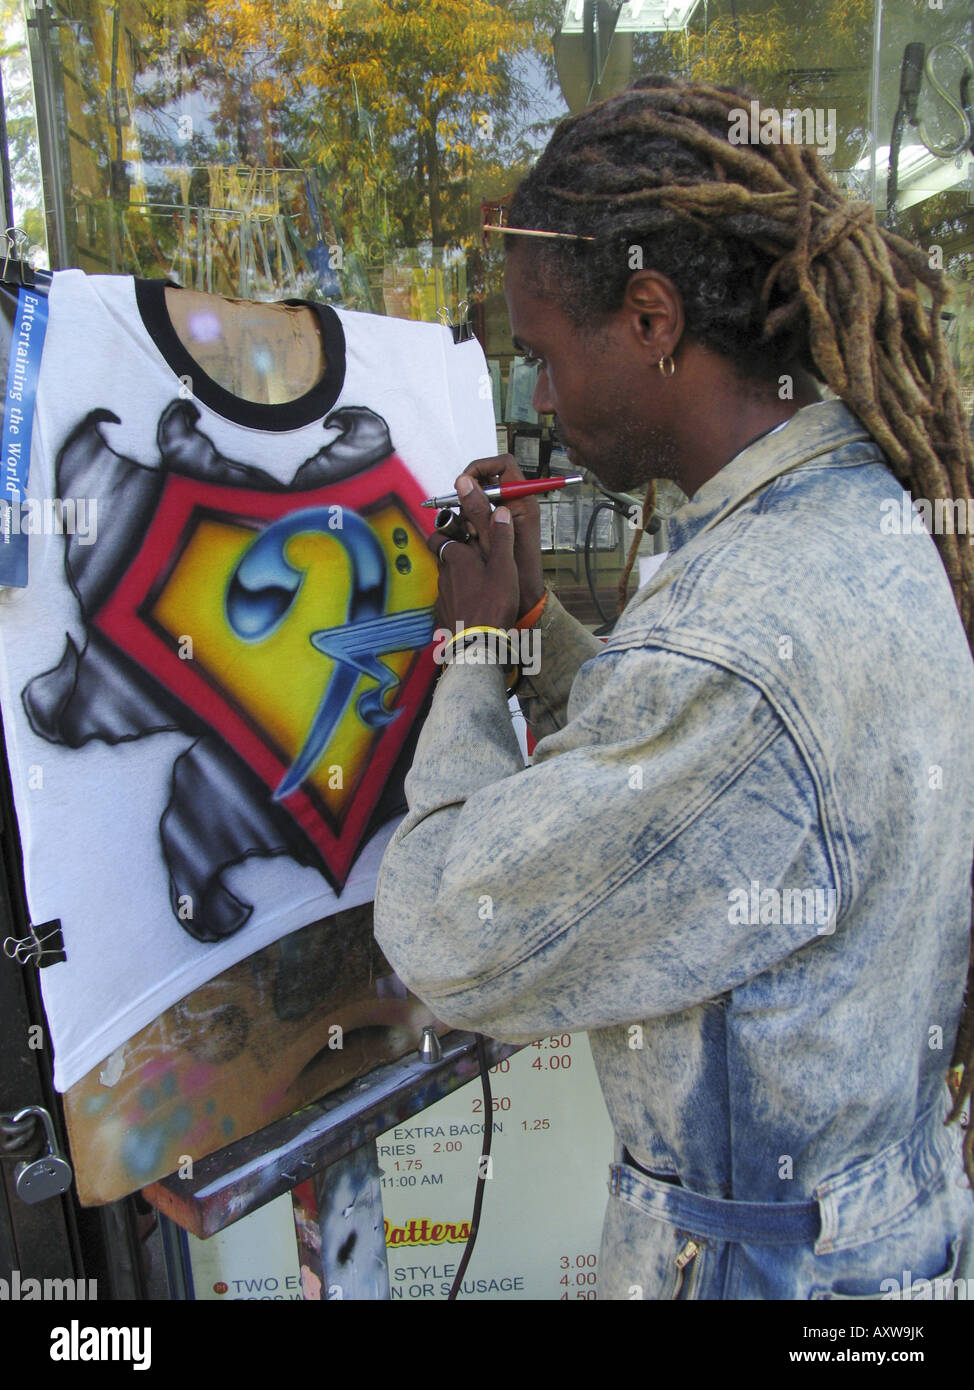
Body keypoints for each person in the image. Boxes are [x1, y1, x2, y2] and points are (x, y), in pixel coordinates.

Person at [372, 76, 974, 1300]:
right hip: (874, 1232)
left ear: (649, 316)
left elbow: (446, 932)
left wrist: (474, 664)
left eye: (543, 353)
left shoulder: (739, 650)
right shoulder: (855, 510)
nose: (539, 401)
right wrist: (537, 629)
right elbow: (725, 793)